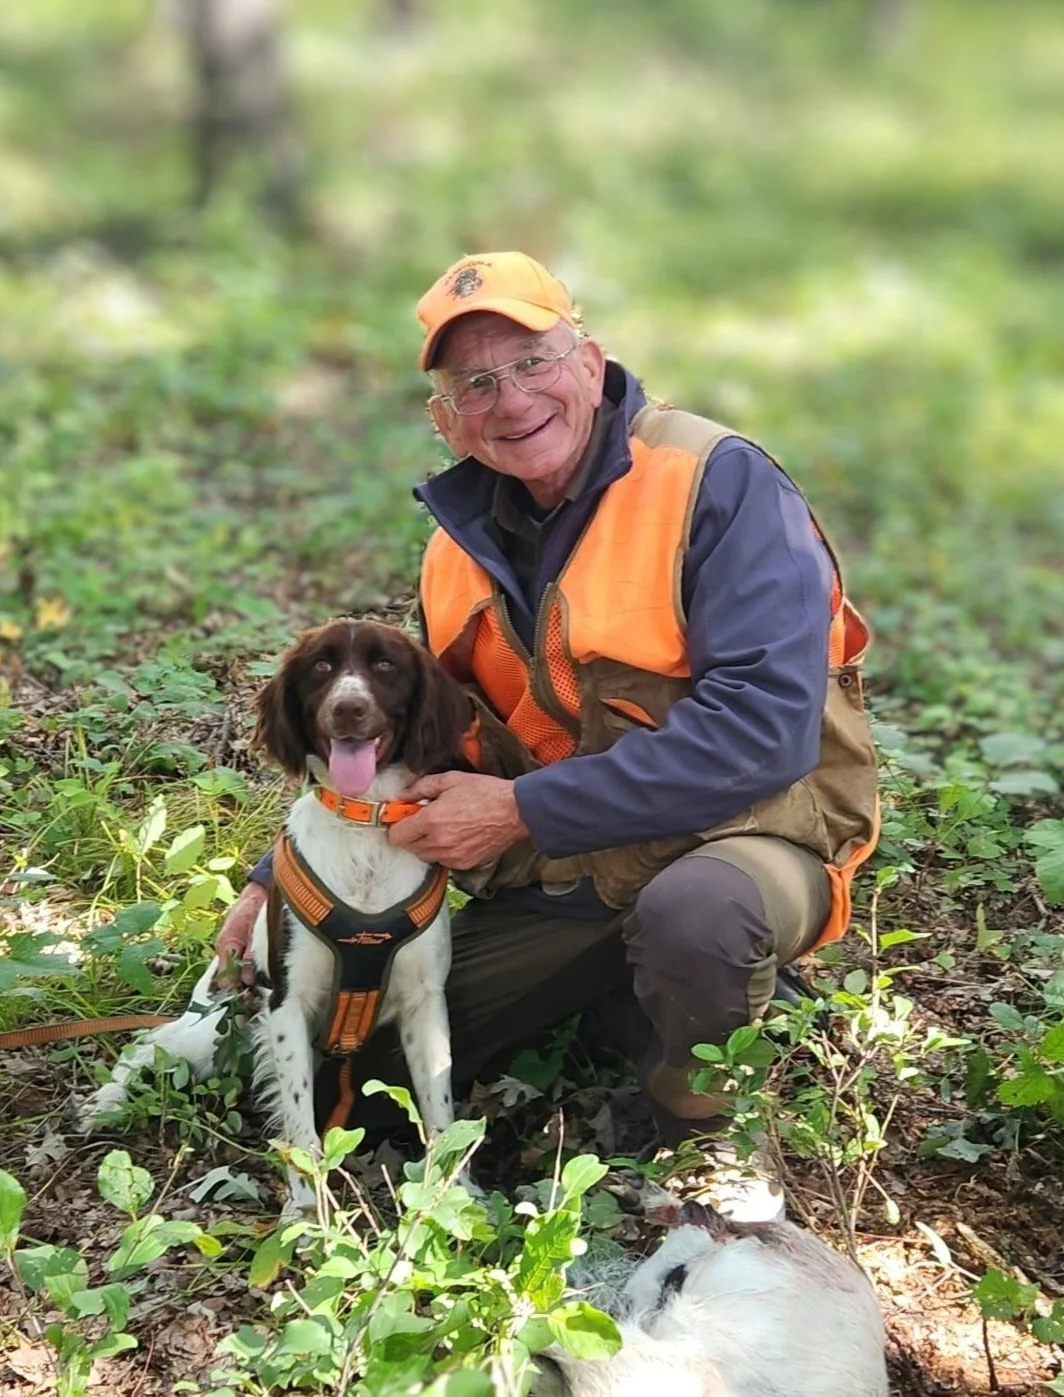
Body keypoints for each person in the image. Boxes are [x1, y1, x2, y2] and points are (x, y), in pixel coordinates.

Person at [218, 252, 879, 1200]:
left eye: (533, 361)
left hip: (746, 837)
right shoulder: (456, 550)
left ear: (591, 360)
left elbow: (763, 735)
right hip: (576, 868)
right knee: (348, 1069)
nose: (510, 398)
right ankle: (626, 998)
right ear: (443, 418)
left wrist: (523, 807)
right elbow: (412, 735)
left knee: (696, 916)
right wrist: (265, 881)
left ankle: (710, 1148)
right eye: (474, 382)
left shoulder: (715, 482)